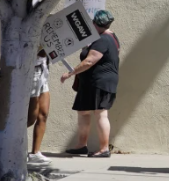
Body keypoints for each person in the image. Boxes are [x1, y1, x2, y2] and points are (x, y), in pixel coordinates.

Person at [59, 10, 120, 158]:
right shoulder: (110, 37)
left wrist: (70, 73)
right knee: (84, 111)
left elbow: (89, 61)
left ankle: (104, 148)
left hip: (99, 82)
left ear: (95, 23)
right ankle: (81, 145)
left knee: (101, 113)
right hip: (90, 83)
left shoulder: (103, 40)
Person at [27, 48, 51, 166]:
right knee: (31, 118)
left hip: (43, 70)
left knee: (43, 114)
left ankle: (35, 153)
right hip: (33, 72)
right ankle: (10, 146)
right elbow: (39, 50)